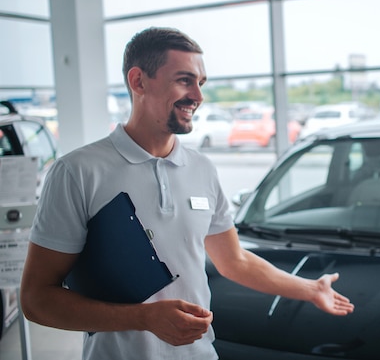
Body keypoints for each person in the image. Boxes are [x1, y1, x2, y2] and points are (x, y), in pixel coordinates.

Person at [19, 27, 354, 360]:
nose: (198, 95)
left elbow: (234, 261)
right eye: (184, 80)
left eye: (200, 83)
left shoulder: (201, 169)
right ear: (139, 82)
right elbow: (37, 299)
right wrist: (144, 318)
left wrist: (310, 289)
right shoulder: (78, 171)